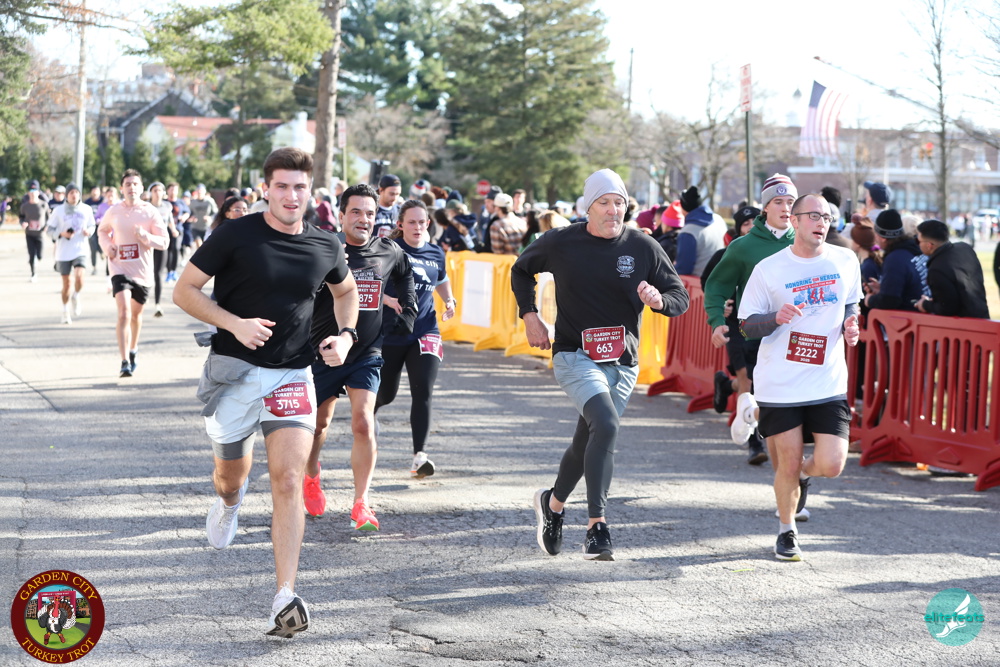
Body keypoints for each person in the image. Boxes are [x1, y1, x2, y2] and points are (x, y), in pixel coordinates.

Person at [172, 147, 359, 638]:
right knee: (229, 477)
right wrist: (234, 323)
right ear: (266, 189)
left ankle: (285, 595)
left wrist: (345, 335)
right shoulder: (236, 234)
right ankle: (229, 503)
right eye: (281, 186)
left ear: (310, 191)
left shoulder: (325, 244)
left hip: (292, 375)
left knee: (289, 479)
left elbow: (346, 293)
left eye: (299, 187)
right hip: (234, 374)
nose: (291, 196)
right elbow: (184, 290)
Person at [512, 169, 689, 561]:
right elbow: (521, 269)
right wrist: (530, 315)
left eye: (619, 202)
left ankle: (552, 504)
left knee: (589, 438)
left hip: (622, 362)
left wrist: (659, 300)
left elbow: (680, 297)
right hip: (574, 354)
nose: (613, 210)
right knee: (606, 425)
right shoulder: (561, 241)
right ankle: (597, 526)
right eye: (604, 202)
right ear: (588, 208)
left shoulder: (642, 246)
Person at [732, 193, 861, 561]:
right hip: (781, 383)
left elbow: (851, 302)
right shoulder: (770, 269)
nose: (822, 223)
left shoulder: (845, 260)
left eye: (827, 217)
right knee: (786, 462)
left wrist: (851, 324)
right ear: (795, 220)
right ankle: (787, 531)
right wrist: (775, 318)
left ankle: (799, 472)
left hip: (827, 380)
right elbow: (746, 325)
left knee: (832, 464)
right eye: (814, 216)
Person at [301, 184, 416, 528]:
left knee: (363, 422)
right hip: (323, 351)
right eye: (355, 212)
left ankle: (361, 503)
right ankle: (311, 474)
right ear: (341, 215)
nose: (363, 219)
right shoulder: (327, 247)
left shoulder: (388, 250)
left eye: (369, 213)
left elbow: (405, 274)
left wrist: (408, 309)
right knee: (318, 425)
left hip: (366, 351)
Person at [704, 175, 798, 475]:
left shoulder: (805, 242)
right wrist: (717, 321)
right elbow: (716, 286)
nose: (786, 208)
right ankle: (757, 443)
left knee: (782, 402)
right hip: (751, 331)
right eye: (778, 202)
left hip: (793, 337)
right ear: (765, 207)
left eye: (791, 202)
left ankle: (747, 410)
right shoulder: (743, 247)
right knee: (751, 381)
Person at [375, 200, 456, 479]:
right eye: (411, 222)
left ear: (428, 224)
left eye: (422, 222)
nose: (418, 227)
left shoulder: (435, 251)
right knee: (387, 393)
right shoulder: (388, 249)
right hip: (392, 331)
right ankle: (368, 412)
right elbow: (367, 282)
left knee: (423, 389)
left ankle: (419, 456)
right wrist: (387, 299)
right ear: (400, 224)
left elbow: (441, 278)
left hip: (425, 329)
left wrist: (449, 300)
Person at [701, 204, 768, 465]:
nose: (750, 227)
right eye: (745, 224)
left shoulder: (774, 253)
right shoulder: (726, 254)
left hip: (766, 328)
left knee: (759, 383)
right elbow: (709, 284)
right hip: (736, 327)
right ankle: (755, 443)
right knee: (747, 380)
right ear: (738, 229)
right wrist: (723, 305)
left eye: (755, 222)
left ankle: (725, 385)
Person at [98, 170, 169, 377]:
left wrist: (146, 237)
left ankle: (133, 349)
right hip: (119, 268)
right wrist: (108, 246)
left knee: (136, 316)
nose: (132, 188)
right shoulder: (114, 211)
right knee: (124, 313)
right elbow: (102, 231)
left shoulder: (150, 212)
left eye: (135, 184)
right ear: (122, 189)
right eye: (128, 184)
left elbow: (164, 242)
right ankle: (124, 362)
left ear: (141, 188)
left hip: (142, 271)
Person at [914, 219, 990, 318]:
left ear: (929, 245)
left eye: (918, 241)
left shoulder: (937, 269)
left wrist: (925, 305)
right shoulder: (965, 248)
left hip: (964, 323)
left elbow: (947, 308)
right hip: (982, 314)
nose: (917, 244)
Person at [46, 183, 96, 324]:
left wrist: (89, 231)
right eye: (71, 193)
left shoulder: (86, 209)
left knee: (79, 278)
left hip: (80, 249)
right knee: (67, 284)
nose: (74, 195)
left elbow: (92, 225)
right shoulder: (58, 211)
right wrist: (61, 234)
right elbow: (49, 230)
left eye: (76, 192)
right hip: (63, 252)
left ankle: (76, 295)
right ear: (66, 195)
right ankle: (65, 311)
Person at [864, 209, 923, 312]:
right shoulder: (912, 250)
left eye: (875, 234)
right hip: (923, 313)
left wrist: (869, 300)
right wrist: (883, 288)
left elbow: (890, 300)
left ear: (883, 238)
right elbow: (910, 288)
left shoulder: (895, 259)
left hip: (910, 317)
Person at [675, 186, 727, 276]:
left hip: (697, 281)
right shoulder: (718, 219)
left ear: (683, 207)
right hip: (720, 277)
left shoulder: (688, 232)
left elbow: (683, 268)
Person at [148, 182, 179, 318]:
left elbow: (170, 220)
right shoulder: (146, 206)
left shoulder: (167, 206)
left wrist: (174, 230)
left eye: (160, 190)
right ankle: (142, 298)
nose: (157, 193)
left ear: (163, 193)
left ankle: (157, 304)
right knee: (147, 272)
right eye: (155, 190)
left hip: (161, 243)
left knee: (158, 273)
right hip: (147, 244)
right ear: (151, 193)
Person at [19, 187, 48, 282]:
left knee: (39, 256)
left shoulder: (43, 205)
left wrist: (46, 226)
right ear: (28, 193)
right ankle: (33, 274)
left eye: (34, 191)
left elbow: (49, 218)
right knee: (31, 254)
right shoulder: (24, 206)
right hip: (29, 234)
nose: (32, 193)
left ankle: (37, 259)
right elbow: (21, 217)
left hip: (40, 234)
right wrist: (23, 223)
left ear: (38, 193)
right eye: (30, 192)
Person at [188, 184, 218, 248]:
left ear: (204, 192)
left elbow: (216, 213)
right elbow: (189, 213)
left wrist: (210, 218)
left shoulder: (209, 201)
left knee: (206, 247)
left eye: (201, 191)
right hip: (196, 227)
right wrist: (192, 217)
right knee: (200, 246)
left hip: (207, 227)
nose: (199, 193)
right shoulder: (193, 202)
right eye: (198, 191)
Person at [374, 174, 402, 238]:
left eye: (397, 194)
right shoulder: (371, 210)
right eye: (391, 194)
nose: (395, 198)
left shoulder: (400, 212)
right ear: (381, 190)